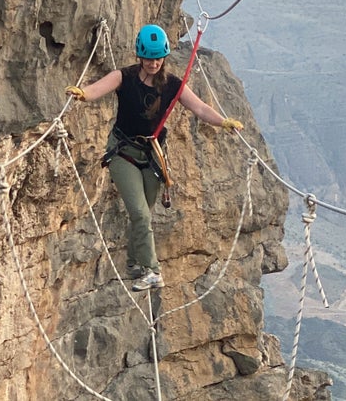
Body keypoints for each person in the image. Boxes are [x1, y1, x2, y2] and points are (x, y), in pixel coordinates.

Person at [65, 24, 243, 291]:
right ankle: (152, 271)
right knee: (139, 212)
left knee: (143, 214)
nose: (153, 63)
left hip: (152, 155)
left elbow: (200, 108)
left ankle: (134, 263)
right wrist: (81, 94)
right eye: (149, 57)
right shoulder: (123, 77)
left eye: (158, 57)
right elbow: (96, 89)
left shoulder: (172, 85)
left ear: (164, 57)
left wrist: (223, 122)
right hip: (123, 152)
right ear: (140, 56)